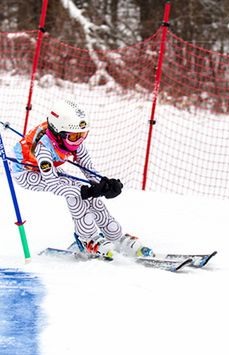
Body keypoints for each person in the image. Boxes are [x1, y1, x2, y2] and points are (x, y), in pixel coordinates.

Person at [12, 99, 153, 259]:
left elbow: (89, 170)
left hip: (49, 167)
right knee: (73, 190)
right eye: (74, 137)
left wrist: (104, 184)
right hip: (26, 172)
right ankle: (88, 238)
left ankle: (115, 236)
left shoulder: (71, 140)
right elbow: (52, 183)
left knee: (85, 190)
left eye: (83, 135)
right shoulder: (43, 148)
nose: (79, 141)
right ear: (58, 134)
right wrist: (87, 191)